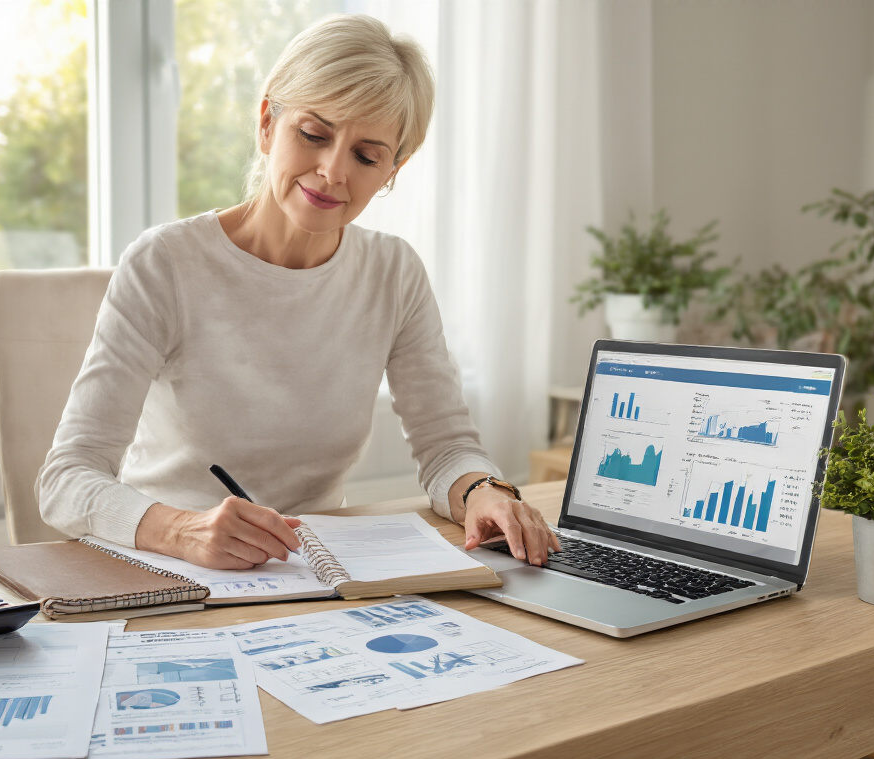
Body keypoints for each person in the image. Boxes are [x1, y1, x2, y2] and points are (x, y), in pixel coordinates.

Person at [37, 13, 558, 570]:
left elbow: (447, 447)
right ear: (267, 124)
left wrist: (486, 492)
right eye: (314, 134)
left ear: (393, 169)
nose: (334, 172)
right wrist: (182, 530)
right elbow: (67, 478)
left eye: (366, 155)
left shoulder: (393, 272)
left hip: (315, 574)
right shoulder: (165, 263)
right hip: (174, 569)